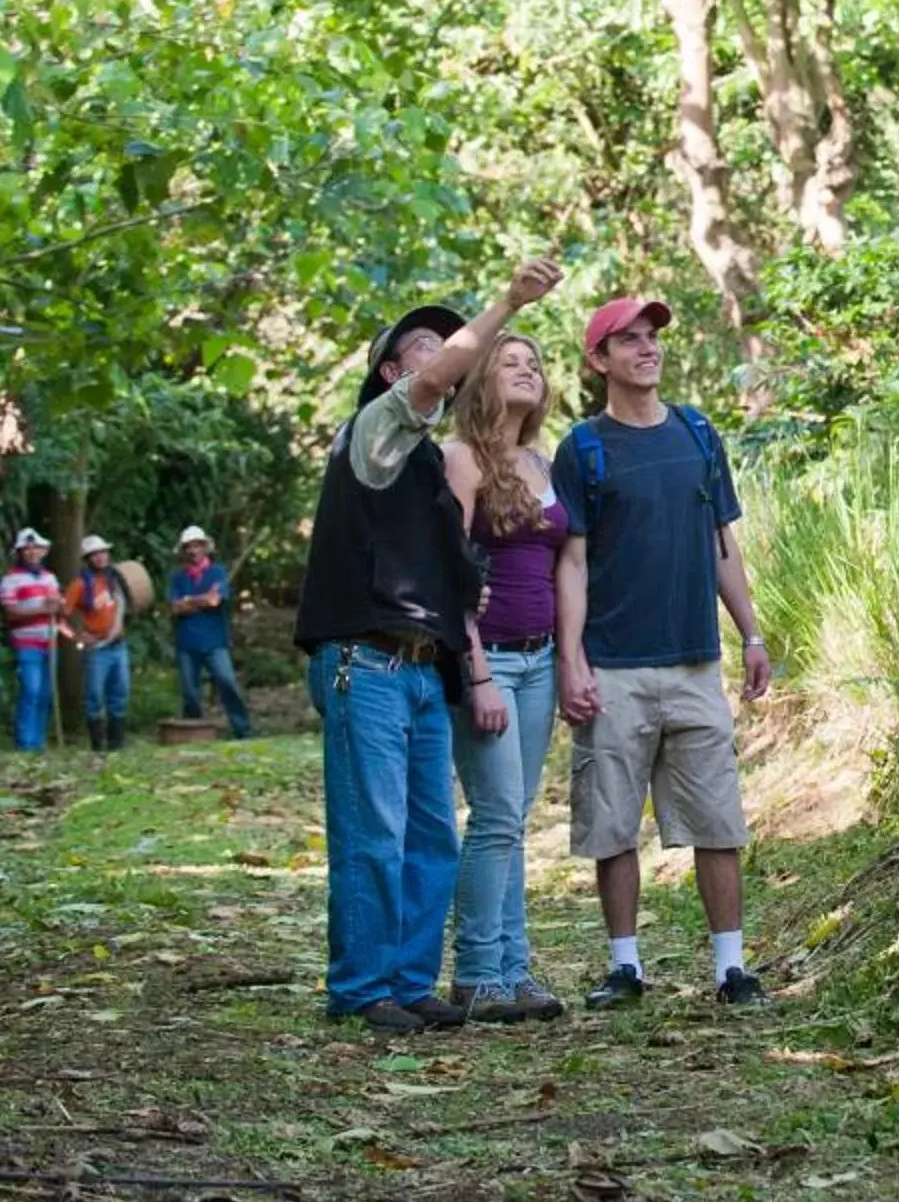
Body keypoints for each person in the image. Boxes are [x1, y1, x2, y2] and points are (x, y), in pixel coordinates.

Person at [295, 258, 565, 1037]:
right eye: (430, 346)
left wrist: (462, 605)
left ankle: (411, 982)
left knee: (431, 837)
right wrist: (509, 300)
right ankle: (362, 987)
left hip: (419, 670)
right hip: (364, 662)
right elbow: (435, 381)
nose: (451, 355)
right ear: (391, 369)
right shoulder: (376, 431)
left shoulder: (431, 467)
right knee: (373, 834)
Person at [553, 295, 774, 1011]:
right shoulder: (582, 448)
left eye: (653, 338)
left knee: (719, 819)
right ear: (599, 360)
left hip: (694, 664)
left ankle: (731, 969)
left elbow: (722, 546)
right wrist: (572, 660)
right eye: (630, 340)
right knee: (613, 823)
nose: (648, 349)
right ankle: (625, 968)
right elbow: (573, 562)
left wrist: (751, 633)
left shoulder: (699, 434)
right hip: (613, 666)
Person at [441, 335, 577, 1023]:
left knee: (513, 820)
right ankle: (475, 973)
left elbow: (566, 567)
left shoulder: (543, 463)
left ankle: (513, 971)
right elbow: (451, 570)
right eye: (509, 361)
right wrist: (477, 672)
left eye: (535, 363)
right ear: (481, 382)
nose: (527, 369)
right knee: (494, 816)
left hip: (541, 659)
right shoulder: (460, 459)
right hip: (488, 661)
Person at [168, 526, 255, 738]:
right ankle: (192, 734)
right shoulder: (177, 577)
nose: (193, 550)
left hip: (215, 641)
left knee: (227, 682)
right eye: (189, 547)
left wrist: (189, 600)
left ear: (205, 548)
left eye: (197, 545)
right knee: (190, 692)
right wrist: (202, 600)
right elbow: (175, 607)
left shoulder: (218, 572)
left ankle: (243, 730)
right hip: (187, 641)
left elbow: (215, 600)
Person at [0, 528, 64, 752]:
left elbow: (57, 606)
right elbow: (10, 612)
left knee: (46, 693)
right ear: (20, 552)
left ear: (43, 551)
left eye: (36, 548)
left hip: (50, 641)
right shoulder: (10, 579)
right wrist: (40, 608)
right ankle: (25, 743)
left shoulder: (50, 578)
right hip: (26, 642)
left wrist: (57, 605)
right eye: (27, 548)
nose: (32, 552)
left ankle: (39, 742)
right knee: (31, 690)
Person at [66, 535, 132, 755]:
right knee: (95, 696)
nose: (101, 557)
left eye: (103, 552)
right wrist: (76, 636)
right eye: (95, 554)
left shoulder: (117, 580)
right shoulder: (80, 585)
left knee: (120, 692)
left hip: (118, 644)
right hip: (97, 648)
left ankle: (116, 744)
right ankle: (97, 745)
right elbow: (61, 616)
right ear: (88, 558)